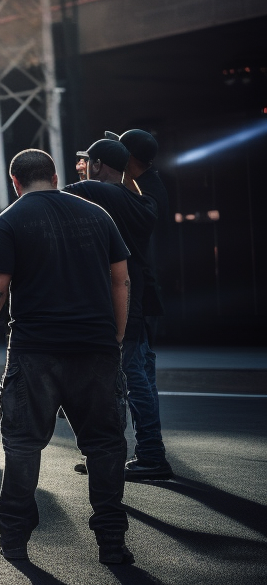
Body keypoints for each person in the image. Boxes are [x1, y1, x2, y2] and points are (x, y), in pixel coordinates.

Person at [0, 149, 133, 566]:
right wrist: (115, 336)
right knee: (106, 447)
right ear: (56, 176)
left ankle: (15, 541)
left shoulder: (8, 221)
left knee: (23, 445)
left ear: (15, 181)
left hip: (35, 351)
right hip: (95, 349)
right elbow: (122, 280)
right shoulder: (97, 215)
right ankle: (112, 542)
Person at [113, 129, 172, 481]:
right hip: (142, 295)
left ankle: (150, 455)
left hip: (136, 295)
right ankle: (146, 453)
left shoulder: (145, 191)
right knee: (139, 375)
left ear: (129, 157)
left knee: (136, 376)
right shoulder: (147, 184)